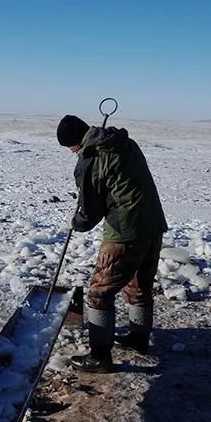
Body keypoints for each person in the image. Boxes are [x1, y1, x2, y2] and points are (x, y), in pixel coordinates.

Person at [57, 114, 168, 373]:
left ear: (75, 142)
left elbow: (89, 214)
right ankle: (139, 339)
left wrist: (75, 222)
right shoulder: (125, 143)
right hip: (152, 225)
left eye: (69, 147)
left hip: (125, 231)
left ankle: (99, 357)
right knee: (139, 285)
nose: (71, 152)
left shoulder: (91, 158)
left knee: (99, 293)